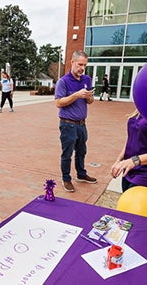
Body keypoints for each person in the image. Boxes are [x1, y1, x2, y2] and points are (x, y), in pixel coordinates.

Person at [55, 50, 97, 192]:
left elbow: (90, 102)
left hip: (82, 124)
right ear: (72, 62)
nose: (82, 68)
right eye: (79, 64)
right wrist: (76, 95)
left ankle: (81, 174)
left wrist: (89, 97)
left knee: (81, 151)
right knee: (67, 153)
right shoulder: (63, 82)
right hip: (68, 124)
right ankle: (66, 179)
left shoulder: (87, 79)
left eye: (84, 65)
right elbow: (59, 103)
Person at [110, 109, 147, 195]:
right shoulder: (140, 108)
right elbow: (132, 137)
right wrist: (119, 161)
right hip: (130, 170)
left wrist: (134, 160)